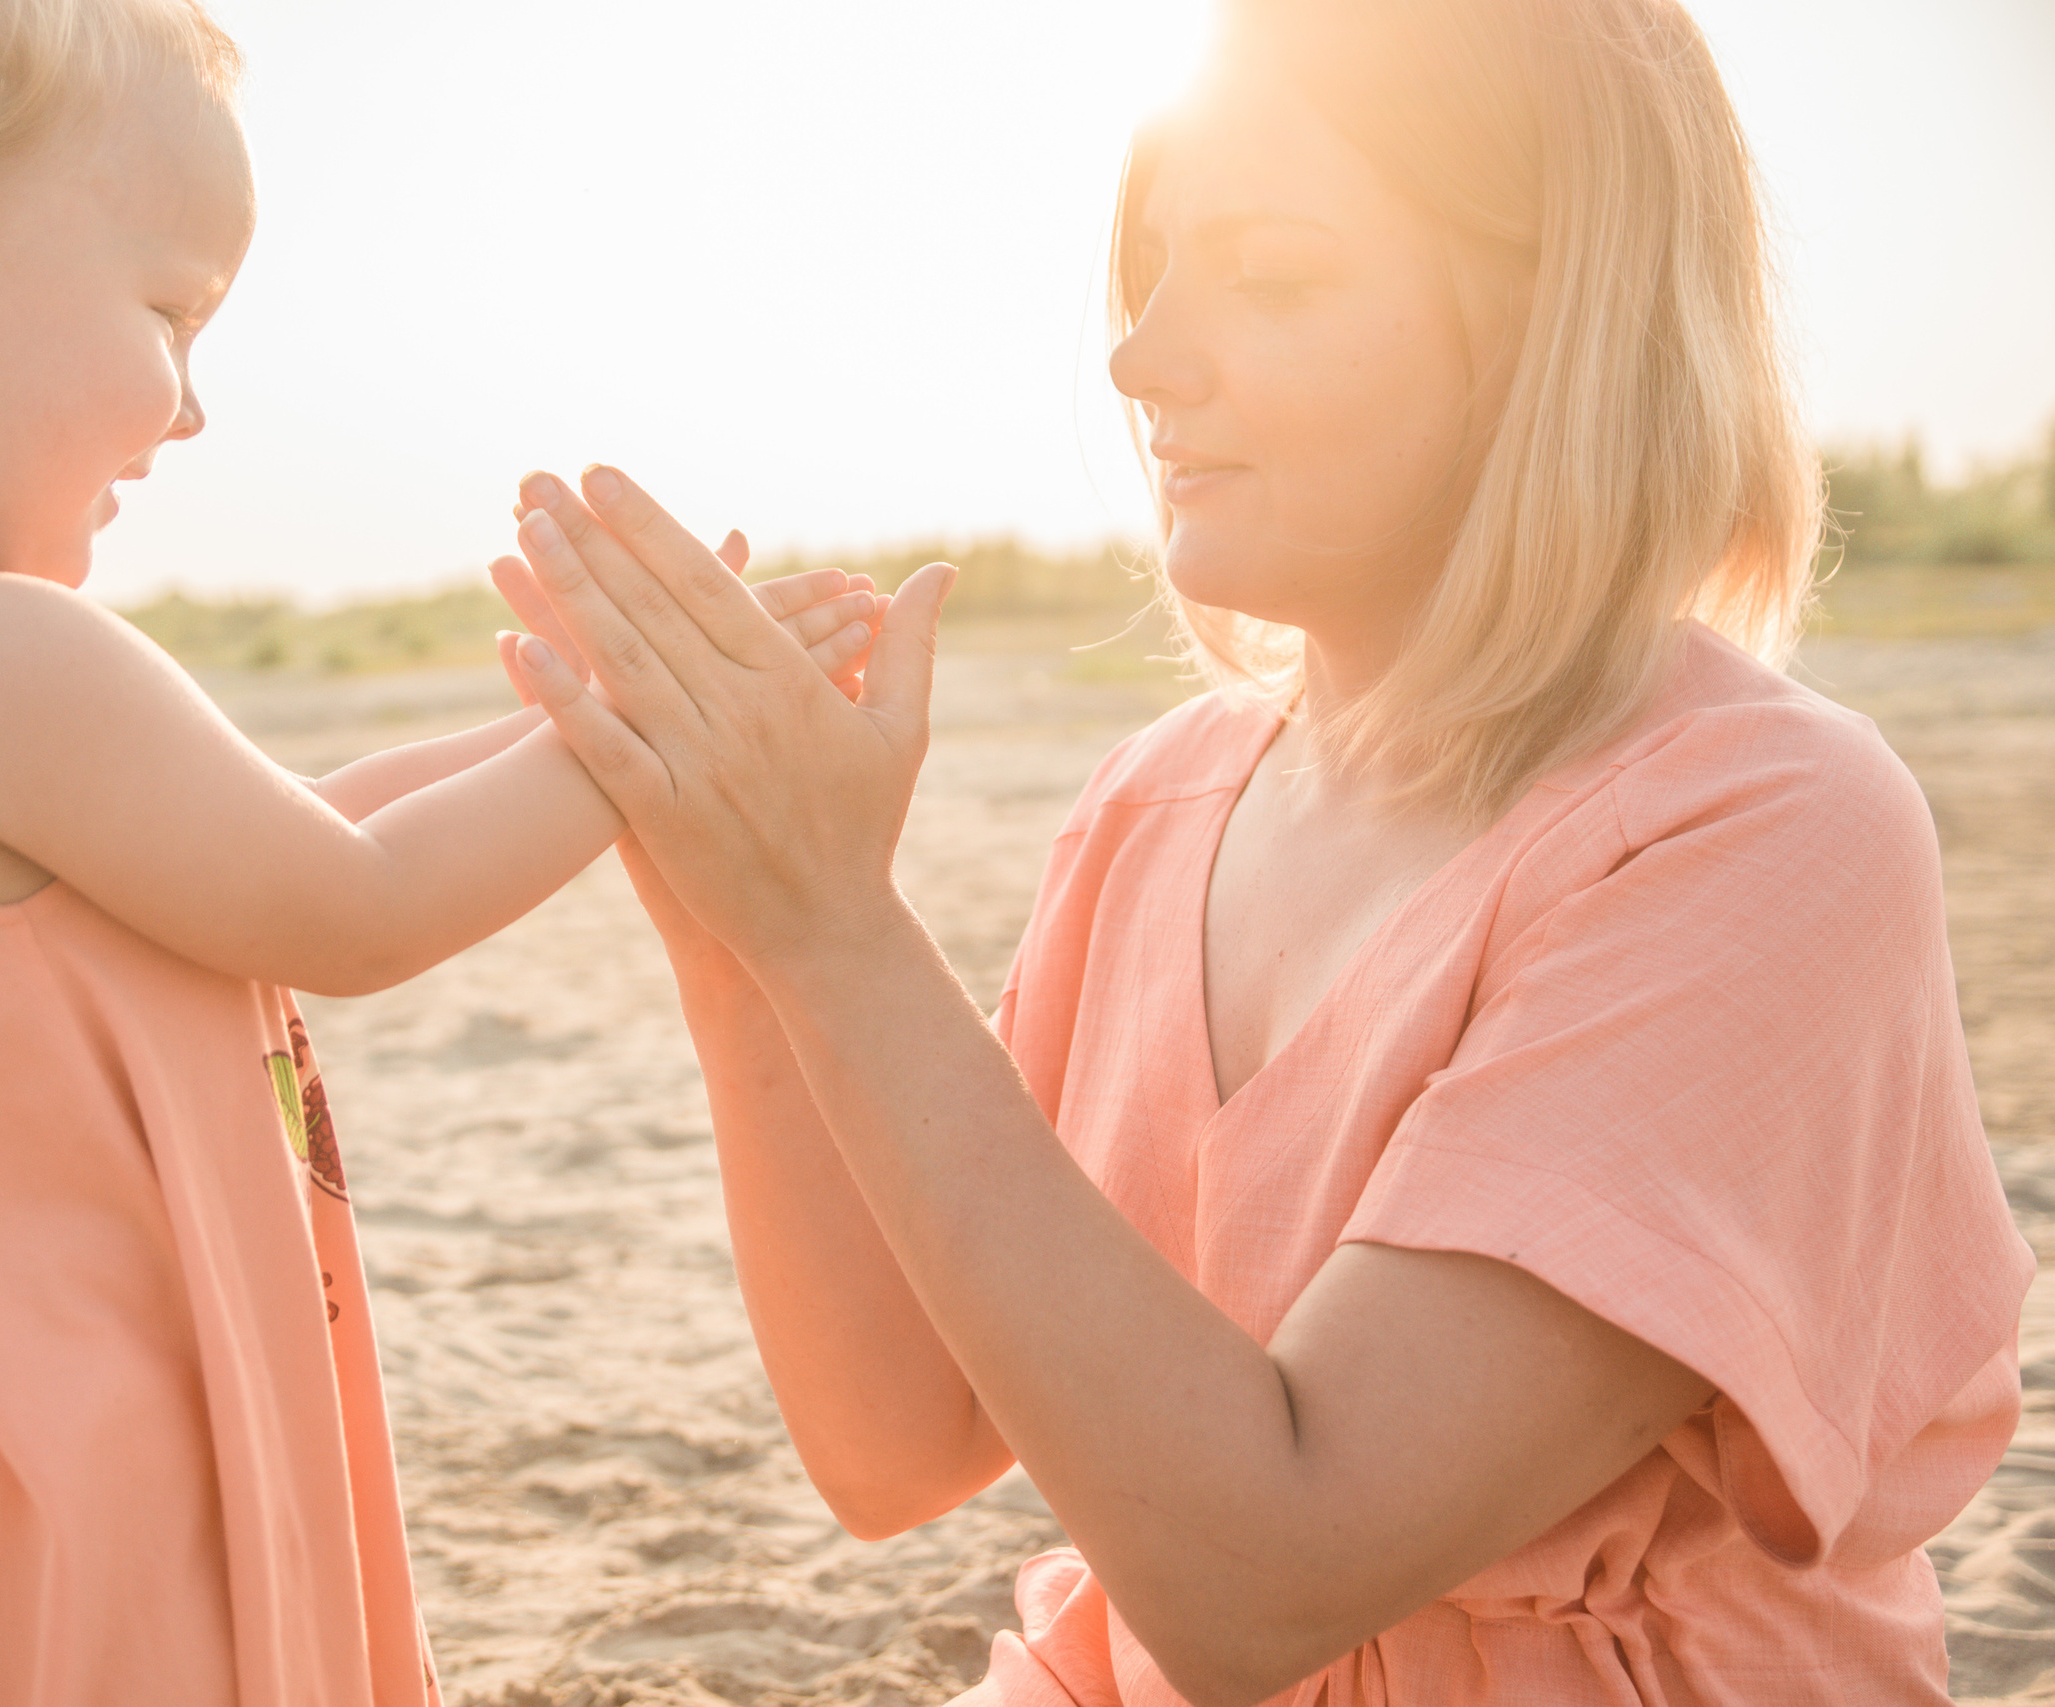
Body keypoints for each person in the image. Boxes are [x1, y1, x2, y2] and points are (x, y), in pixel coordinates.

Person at [491, 0, 2034, 1700]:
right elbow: (891, 1443)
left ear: (1557, 327)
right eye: (1152, 271)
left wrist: (843, 930)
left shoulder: (1760, 825)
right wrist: (747, 935)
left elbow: (1265, 1575)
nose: (1140, 360)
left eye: (1274, 277)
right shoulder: (1156, 806)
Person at [0, 0, 874, 1698]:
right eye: (173, 313)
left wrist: (571, 730)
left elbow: (280, 856)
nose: (201, 411)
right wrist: (661, 734)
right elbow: (352, 907)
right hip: (41, 1536)